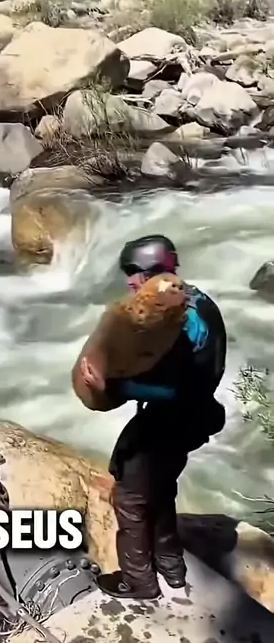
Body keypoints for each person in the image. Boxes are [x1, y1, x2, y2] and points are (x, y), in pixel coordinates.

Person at [79, 234, 226, 600]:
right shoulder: (196, 301)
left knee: (130, 498)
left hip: (175, 417)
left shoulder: (180, 321)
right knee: (159, 489)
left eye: (135, 272)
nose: (130, 281)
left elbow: (175, 389)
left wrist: (115, 386)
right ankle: (171, 568)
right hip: (192, 414)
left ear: (157, 270)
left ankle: (139, 582)